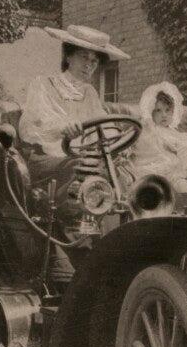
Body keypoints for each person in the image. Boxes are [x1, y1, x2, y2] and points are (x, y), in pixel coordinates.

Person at [17, 24, 130, 283]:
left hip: (78, 161)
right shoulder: (43, 85)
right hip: (45, 160)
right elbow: (31, 126)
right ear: (68, 55)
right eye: (83, 57)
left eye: (94, 60)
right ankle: (78, 252)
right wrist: (62, 128)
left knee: (118, 174)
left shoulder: (89, 93)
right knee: (81, 168)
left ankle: (112, 244)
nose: (89, 65)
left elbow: (103, 127)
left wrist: (118, 139)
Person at [130, 82, 187, 193]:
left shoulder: (175, 133)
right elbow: (152, 148)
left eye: (167, 110)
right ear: (151, 112)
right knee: (177, 178)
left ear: (173, 112)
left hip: (181, 162)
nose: (164, 115)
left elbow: (183, 148)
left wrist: (184, 150)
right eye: (158, 110)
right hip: (163, 163)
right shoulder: (152, 130)